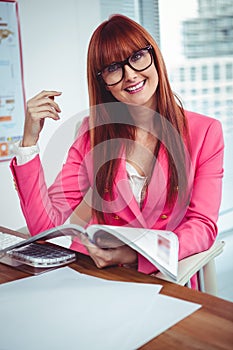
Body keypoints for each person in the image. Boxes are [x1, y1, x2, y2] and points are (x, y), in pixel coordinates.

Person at [11, 15, 224, 284]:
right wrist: (29, 142)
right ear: (103, 82)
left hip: (168, 279)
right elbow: (47, 228)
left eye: (136, 57)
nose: (130, 75)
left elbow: (202, 226)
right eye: (114, 68)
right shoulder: (92, 133)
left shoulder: (205, 132)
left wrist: (135, 254)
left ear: (153, 56)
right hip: (102, 279)